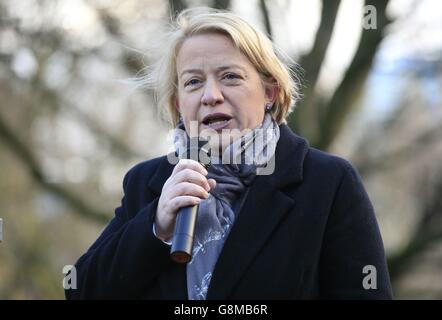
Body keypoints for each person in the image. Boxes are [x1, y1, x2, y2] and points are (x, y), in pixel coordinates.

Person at [66, 7, 393, 300]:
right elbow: (79, 289)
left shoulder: (328, 182)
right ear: (179, 104)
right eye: (193, 82)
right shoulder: (147, 183)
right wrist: (155, 228)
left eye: (230, 77)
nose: (210, 95)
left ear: (270, 91)